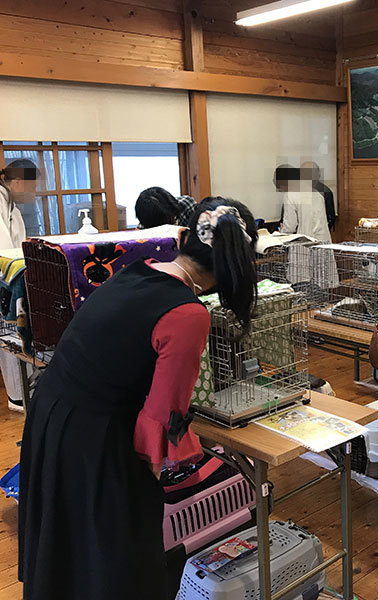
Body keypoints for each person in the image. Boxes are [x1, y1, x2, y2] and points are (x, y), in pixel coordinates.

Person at [18, 198, 258, 600]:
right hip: (94, 435)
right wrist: (151, 479)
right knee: (118, 554)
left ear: (184, 237)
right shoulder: (188, 313)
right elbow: (163, 416)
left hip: (52, 412)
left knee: (62, 542)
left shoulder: (136, 270)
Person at [0, 159, 41, 412]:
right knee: (9, 335)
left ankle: (21, 393)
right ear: (16, 182)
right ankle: (17, 396)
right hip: (5, 277)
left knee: (14, 334)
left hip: (9, 275)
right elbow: (5, 252)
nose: (34, 193)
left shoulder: (11, 204)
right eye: (32, 187)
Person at [278, 166, 332, 244]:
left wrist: (281, 234)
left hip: (305, 243)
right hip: (324, 241)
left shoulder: (290, 195)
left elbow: (290, 227)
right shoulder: (317, 194)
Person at [300, 161, 336, 232]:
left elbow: (330, 218)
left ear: (317, 174)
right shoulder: (295, 191)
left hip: (319, 233)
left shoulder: (325, 192)